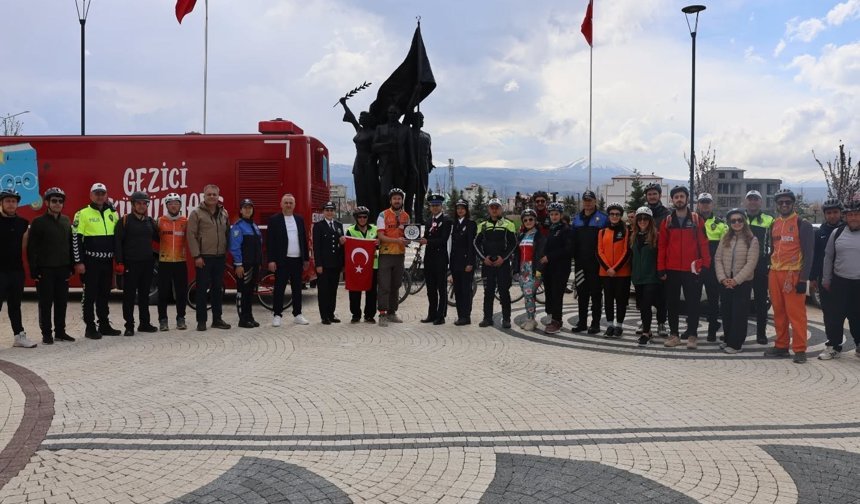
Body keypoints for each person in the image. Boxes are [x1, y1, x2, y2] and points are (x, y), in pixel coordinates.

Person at [764, 189, 814, 363]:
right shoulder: (774, 224)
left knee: (796, 313)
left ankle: (800, 349)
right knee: (779, 312)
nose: (784, 205)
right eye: (781, 202)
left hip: (793, 274)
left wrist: (803, 279)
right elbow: (772, 249)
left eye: (787, 202)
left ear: (793, 203)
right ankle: (781, 345)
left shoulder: (802, 223)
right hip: (775, 272)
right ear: (776, 205)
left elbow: (809, 254)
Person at [658, 186, 710, 349]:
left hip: (691, 270)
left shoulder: (696, 219)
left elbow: (703, 243)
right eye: (676, 197)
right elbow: (662, 246)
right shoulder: (667, 221)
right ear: (672, 200)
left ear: (687, 199)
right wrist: (661, 268)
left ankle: (692, 335)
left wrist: (706, 265)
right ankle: (674, 335)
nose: (679, 199)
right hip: (672, 269)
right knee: (672, 303)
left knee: (693, 303)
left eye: (682, 196)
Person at [73, 182, 122, 339]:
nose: (100, 196)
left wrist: (118, 260)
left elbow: (117, 239)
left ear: (106, 195)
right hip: (90, 262)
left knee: (104, 295)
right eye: (97, 193)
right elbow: (76, 239)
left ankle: (104, 324)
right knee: (90, 296)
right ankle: (90, 327)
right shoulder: (82, 214)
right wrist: (79, 261)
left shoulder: (113, 213)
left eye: (102, 193)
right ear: (91, 195)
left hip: (107, 262)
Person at [27, 187, 74, 345]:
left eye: (60, 201)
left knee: (62, 302)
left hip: (63, 268)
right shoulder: (38, 222)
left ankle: (60, 332)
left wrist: (71, 266)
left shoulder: (66, 220)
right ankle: (46, 334)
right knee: (46, 303)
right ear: (47, 202)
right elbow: (31, 248)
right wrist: (34, 270)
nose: (57, 204)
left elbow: (70, 244)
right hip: (45, 269)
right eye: (54, 201)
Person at [114, 191, 160, 336]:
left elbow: (159, 238)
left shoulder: (150, 221)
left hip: (147, 264)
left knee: (144, 295)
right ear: (133, 204)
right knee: (129, 296)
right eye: (138, 203)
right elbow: (117, 243)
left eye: (144, 203)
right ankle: (129, 326)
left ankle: (144, 323)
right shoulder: (124, 221)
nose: (142, 206)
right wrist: (119, 262)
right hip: (130, 264)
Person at [714, 208, 760, 354]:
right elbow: (718, 259)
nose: (737, 223)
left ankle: (736, 344)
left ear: (744, 221)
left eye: (739, 220)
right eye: (733, 221)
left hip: (742, 283)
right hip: (726, 282)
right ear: (729, 222)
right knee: (727, 313)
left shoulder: (752, 240)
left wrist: (736, 280)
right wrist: (723, 278)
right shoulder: (725, 238)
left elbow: (751, 263)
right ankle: (728, 339)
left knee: (739, 315)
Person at [187, 184, 231, 331]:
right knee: (201, 290)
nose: (212, 197)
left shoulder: (224, 213)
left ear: (218, 196)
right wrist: (196, 256)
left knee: (217, 290)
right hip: (204, 257)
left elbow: (227, 233)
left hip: (219, 257)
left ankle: (217, 319)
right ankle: (201, 321)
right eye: (209, 195)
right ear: (204, 196)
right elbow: (191, 235)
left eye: (214, 194)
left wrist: (226, 251)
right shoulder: (196, 214)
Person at [821, 199, 860, 360]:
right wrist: (826, 279)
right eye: (850, 215)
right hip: (840, 281)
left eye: (857, 214)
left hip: (858, 283)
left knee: (857, 316)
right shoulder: (837, 233)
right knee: (834, 316)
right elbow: (828, 257)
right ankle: (834, 346)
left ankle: (859, 345)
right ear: (845, 217)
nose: (853, 218)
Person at [266, 193, 310, 327]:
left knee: (297, 288)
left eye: (291, 203)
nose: (288, 205)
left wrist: (306, 258)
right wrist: (271, 260)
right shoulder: (274, 220)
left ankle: (297, 314)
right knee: (279, 288)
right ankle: (277, 315)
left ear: (294, 205)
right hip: (281, 260)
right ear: (281, 204)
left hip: (297, 260)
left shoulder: (299, 219)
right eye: (286, 202)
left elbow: (303, 239)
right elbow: (270, 242)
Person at [474, 198, 518, 329]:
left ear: (501, 209)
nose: (494, 210)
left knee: (504, 292)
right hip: (487, 265)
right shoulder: (482, 225)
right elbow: (476, 243)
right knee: (488, 292)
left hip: (502, 265)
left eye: (496, 207)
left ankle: (506, 319)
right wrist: (483, 259)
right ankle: (487, 318)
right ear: (488, 209)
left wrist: (503, 258)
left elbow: (513, 244)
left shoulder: (508, 224)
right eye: (492, 207)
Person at [1, 189, 36, 348]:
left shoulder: (23, 223)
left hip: (16, 270)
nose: (11, 204)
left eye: (13, 201)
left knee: (15, 305)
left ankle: (19, 336)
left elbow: (24, 247)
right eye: (7, 201)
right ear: (1, 203)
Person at [810, 198, 844, 358]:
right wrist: (813, 278)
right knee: (829, 314)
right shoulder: (819, 233)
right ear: (824, 214)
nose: (832, 216)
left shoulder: (848, 230)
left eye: (835, 212)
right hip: (825, 280)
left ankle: (857, 343)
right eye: (829, 213)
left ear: (840, 213)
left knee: (853, 312)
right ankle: (833, 344)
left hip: (847, 279)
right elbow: (815, 257)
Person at [571, 190, 607, 334]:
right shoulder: (577, 219)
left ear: (595, 201)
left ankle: (596, 323)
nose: (587, 203)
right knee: (582, 293)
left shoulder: (603, 219)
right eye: (585, 200)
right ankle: (582, 322)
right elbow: (572, 241)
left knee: (596, 294)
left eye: (590, 200)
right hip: (580, 264)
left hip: (596, 264)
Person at [338, 98, 380, 218]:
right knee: (360, 191)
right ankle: (362, 215)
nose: (360, 118)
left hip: (370, 163)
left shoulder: (374, 133)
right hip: (358, 164)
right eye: (360, 116)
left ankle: (373, 216)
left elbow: (377, 149)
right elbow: (352, 118)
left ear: (368, 120)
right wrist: (344, 104)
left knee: (371, 190)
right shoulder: (359, 130)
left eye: (363, 116)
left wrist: (372, 158)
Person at [696, 193, 728, 341]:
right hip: (696, 267)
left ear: (712, 204)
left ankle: (711, 332)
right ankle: (692, 330)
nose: (705, 205)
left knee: (713, 301)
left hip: (713, 269)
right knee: (693, 299)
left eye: (707, 202)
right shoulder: (691, 220)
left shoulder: (720, 224)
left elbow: (725, 248)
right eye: (702, 202)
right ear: (698, 204)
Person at [376, 188, 410, 327]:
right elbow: (381, 236)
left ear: (402, 200)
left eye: (399, 198)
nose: (397, 201)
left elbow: (408, 234)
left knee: (396, 285)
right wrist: (397, 241)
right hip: (386, 254)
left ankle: (392, 312)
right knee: (384, 285)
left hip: (400, 255)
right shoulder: (383, 215)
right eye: (394, 198)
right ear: (390, 200)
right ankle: (382, 314)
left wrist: (409, 240)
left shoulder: (406, 216)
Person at [598, 203, 632, 338]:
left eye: (617, 214)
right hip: (605, 273)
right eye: (612, 214)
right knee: (608, 299)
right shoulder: (602, 232)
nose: (614, 216)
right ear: (609, 215)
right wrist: (608, 268)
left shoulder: (626, 231)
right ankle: (610, 325)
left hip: (622, 273)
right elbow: (599, 251)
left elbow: (627, 252)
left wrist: (615, 268)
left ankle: (619, 326)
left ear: (620, 215)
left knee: (621, 300)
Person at [745, 190, 774, 345]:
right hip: (742, 265)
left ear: (760, 202)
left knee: (761, 302)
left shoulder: (769, 220)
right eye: (750, 199)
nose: (753, 202)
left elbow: (774, 243)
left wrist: (770, 263)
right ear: (746, 202)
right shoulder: (739, 218)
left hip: (761, 264)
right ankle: (738, 332)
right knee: (741, 301)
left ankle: (761, 334)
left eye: (756, 199)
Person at [157, 193, 188, 331]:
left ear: (180, 205)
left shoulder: (185, 221)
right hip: (164, 261)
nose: (173, 205)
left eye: (176, 203)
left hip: (180, 261)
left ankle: (181, 318)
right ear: (166, 205)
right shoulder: (160, 221)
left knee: (181, 293)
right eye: (170, 203)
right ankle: (163, 320)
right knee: (163, 292)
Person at [540, 202, 573, 334]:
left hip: (561, 268)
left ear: (561, 215)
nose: (554, 216)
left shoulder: (566, 230)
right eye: (552, 214)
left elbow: (568, 250)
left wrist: (549, 257)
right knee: (548, 293)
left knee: (557, 295)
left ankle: (557, 321)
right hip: (549, 268)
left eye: (556, 214)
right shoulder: (551, 229)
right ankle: (550, 316)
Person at [631, 207, 661, 346]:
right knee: (642, 306)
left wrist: (661, 273)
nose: (642, 221)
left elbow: (661, 256)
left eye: (645, 219)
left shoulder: (656, 236)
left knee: (646, 304)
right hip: (637, 277)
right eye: (640, 219)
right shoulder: (633, 236)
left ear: (650, 220)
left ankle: (645, 332)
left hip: (651, 277)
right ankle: (647, 330)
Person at [230, 199, 263, 329]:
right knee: (243, 292)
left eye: (250, 207)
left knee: (250, 292)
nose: (248, 209)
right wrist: (238, 264)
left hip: (254, 265)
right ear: (240, 210)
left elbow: (258, 246)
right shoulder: (238, 226)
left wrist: (259, 263)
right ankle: (243, 319)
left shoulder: (254, 226)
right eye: (245, 207)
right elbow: (235, 247)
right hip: (244, 265)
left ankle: (250, 317)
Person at [420, 194, 452, 324]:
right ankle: (431, 314)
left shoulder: (446, 220)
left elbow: (443, 239)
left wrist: (427, 241)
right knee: (430, 288)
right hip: (429, 258)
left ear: (441, 206)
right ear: (430, 207)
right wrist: (420, 239)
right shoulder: (429, 221)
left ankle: (441, 315)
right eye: (432, 205)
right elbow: (426, 236)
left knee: (441, 288)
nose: (434, 208)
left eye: (437, 205)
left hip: (440, 258)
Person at [644, 182, 670, 337]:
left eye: (654, 193)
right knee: (644, 294)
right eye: (649, 194)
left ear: (660, 195)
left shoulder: (667, 214)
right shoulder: (643, 212)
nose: (652, 196)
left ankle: (661, 323)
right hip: (646, 259)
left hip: (662, 260)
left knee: (662, 295)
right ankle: (645, 321)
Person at [513, 208, 546, 331]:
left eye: (531, 219)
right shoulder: (521, 235)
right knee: (527, 296)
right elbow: (517, 254)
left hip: (533, 269)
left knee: (529, 293)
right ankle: (529, 318)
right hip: (523, 269)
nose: (528, 221)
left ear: (535, 220)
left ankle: (531, 320)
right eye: (525, 220)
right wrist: (515, 270)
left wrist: (539, 270)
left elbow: (541, 254)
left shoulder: (539, 236)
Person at [313, 202, 345, 324]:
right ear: (323, 212)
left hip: (335, 264)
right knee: (323, 291)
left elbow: (341, 246)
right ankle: (324, 316)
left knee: (333, 290)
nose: (330, 212)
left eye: (332, 210)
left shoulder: (338, 225)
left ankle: (331, 314)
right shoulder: (318, 226)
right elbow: (317, 247)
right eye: (327, 210)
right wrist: (318, 264)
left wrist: (342, 264)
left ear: (334, 212)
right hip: (324, 265)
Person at [345, 206, 378, 323]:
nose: (362, 219)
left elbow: (380, 245)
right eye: (360, 217)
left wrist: (379, 242)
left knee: (372, 291)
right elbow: (347, 248)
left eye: (365, 217)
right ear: (356, 218)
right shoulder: (350, 230)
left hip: (373, 265)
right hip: (356, 266)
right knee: (355, 290)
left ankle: (369, 315)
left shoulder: (375, 229)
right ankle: (355, 314)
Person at [450, 199, 477, 326]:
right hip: (456, 263)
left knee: (466, 290)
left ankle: (466, 316)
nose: (460, 210)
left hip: (466, 262)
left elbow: (472, 245)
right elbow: (452, 246)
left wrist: (470, 262)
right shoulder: (454, 224)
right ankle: (460, 315)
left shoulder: (471, 224)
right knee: (458, 290)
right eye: (458, 208)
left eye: (462, 208)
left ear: (466, 210)